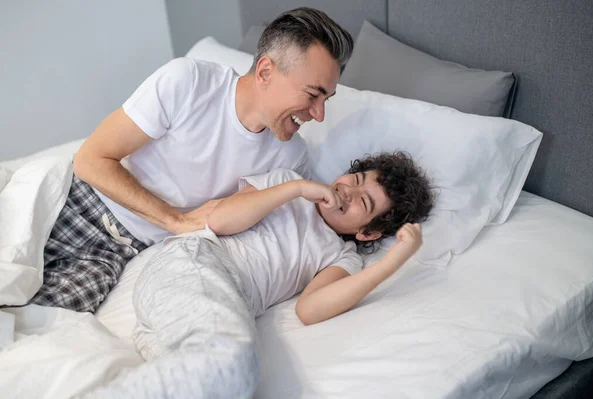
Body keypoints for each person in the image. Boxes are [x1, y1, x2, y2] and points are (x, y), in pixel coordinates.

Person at [29, 7, 354, 313]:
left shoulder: (291, 159)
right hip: (78, 203)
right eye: (313, 95)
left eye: (327, 99)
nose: (319, 114)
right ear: (266, 71)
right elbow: (91, 159)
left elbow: (285, 238)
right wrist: (175, 221)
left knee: (34, 325)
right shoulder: (188, 82)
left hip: (124, 254)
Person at [83, 152, 435, 398]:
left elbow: (309, 310)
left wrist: (390, 264)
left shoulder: (341, 256)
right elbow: (219, 221)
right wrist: (296, 189)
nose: (348, 191)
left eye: (364, 202)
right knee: (237, 364)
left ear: (369, 233)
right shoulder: (286, 182)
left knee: (222, 387)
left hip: (200, 308)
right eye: (355, 180)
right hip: (195, 262)